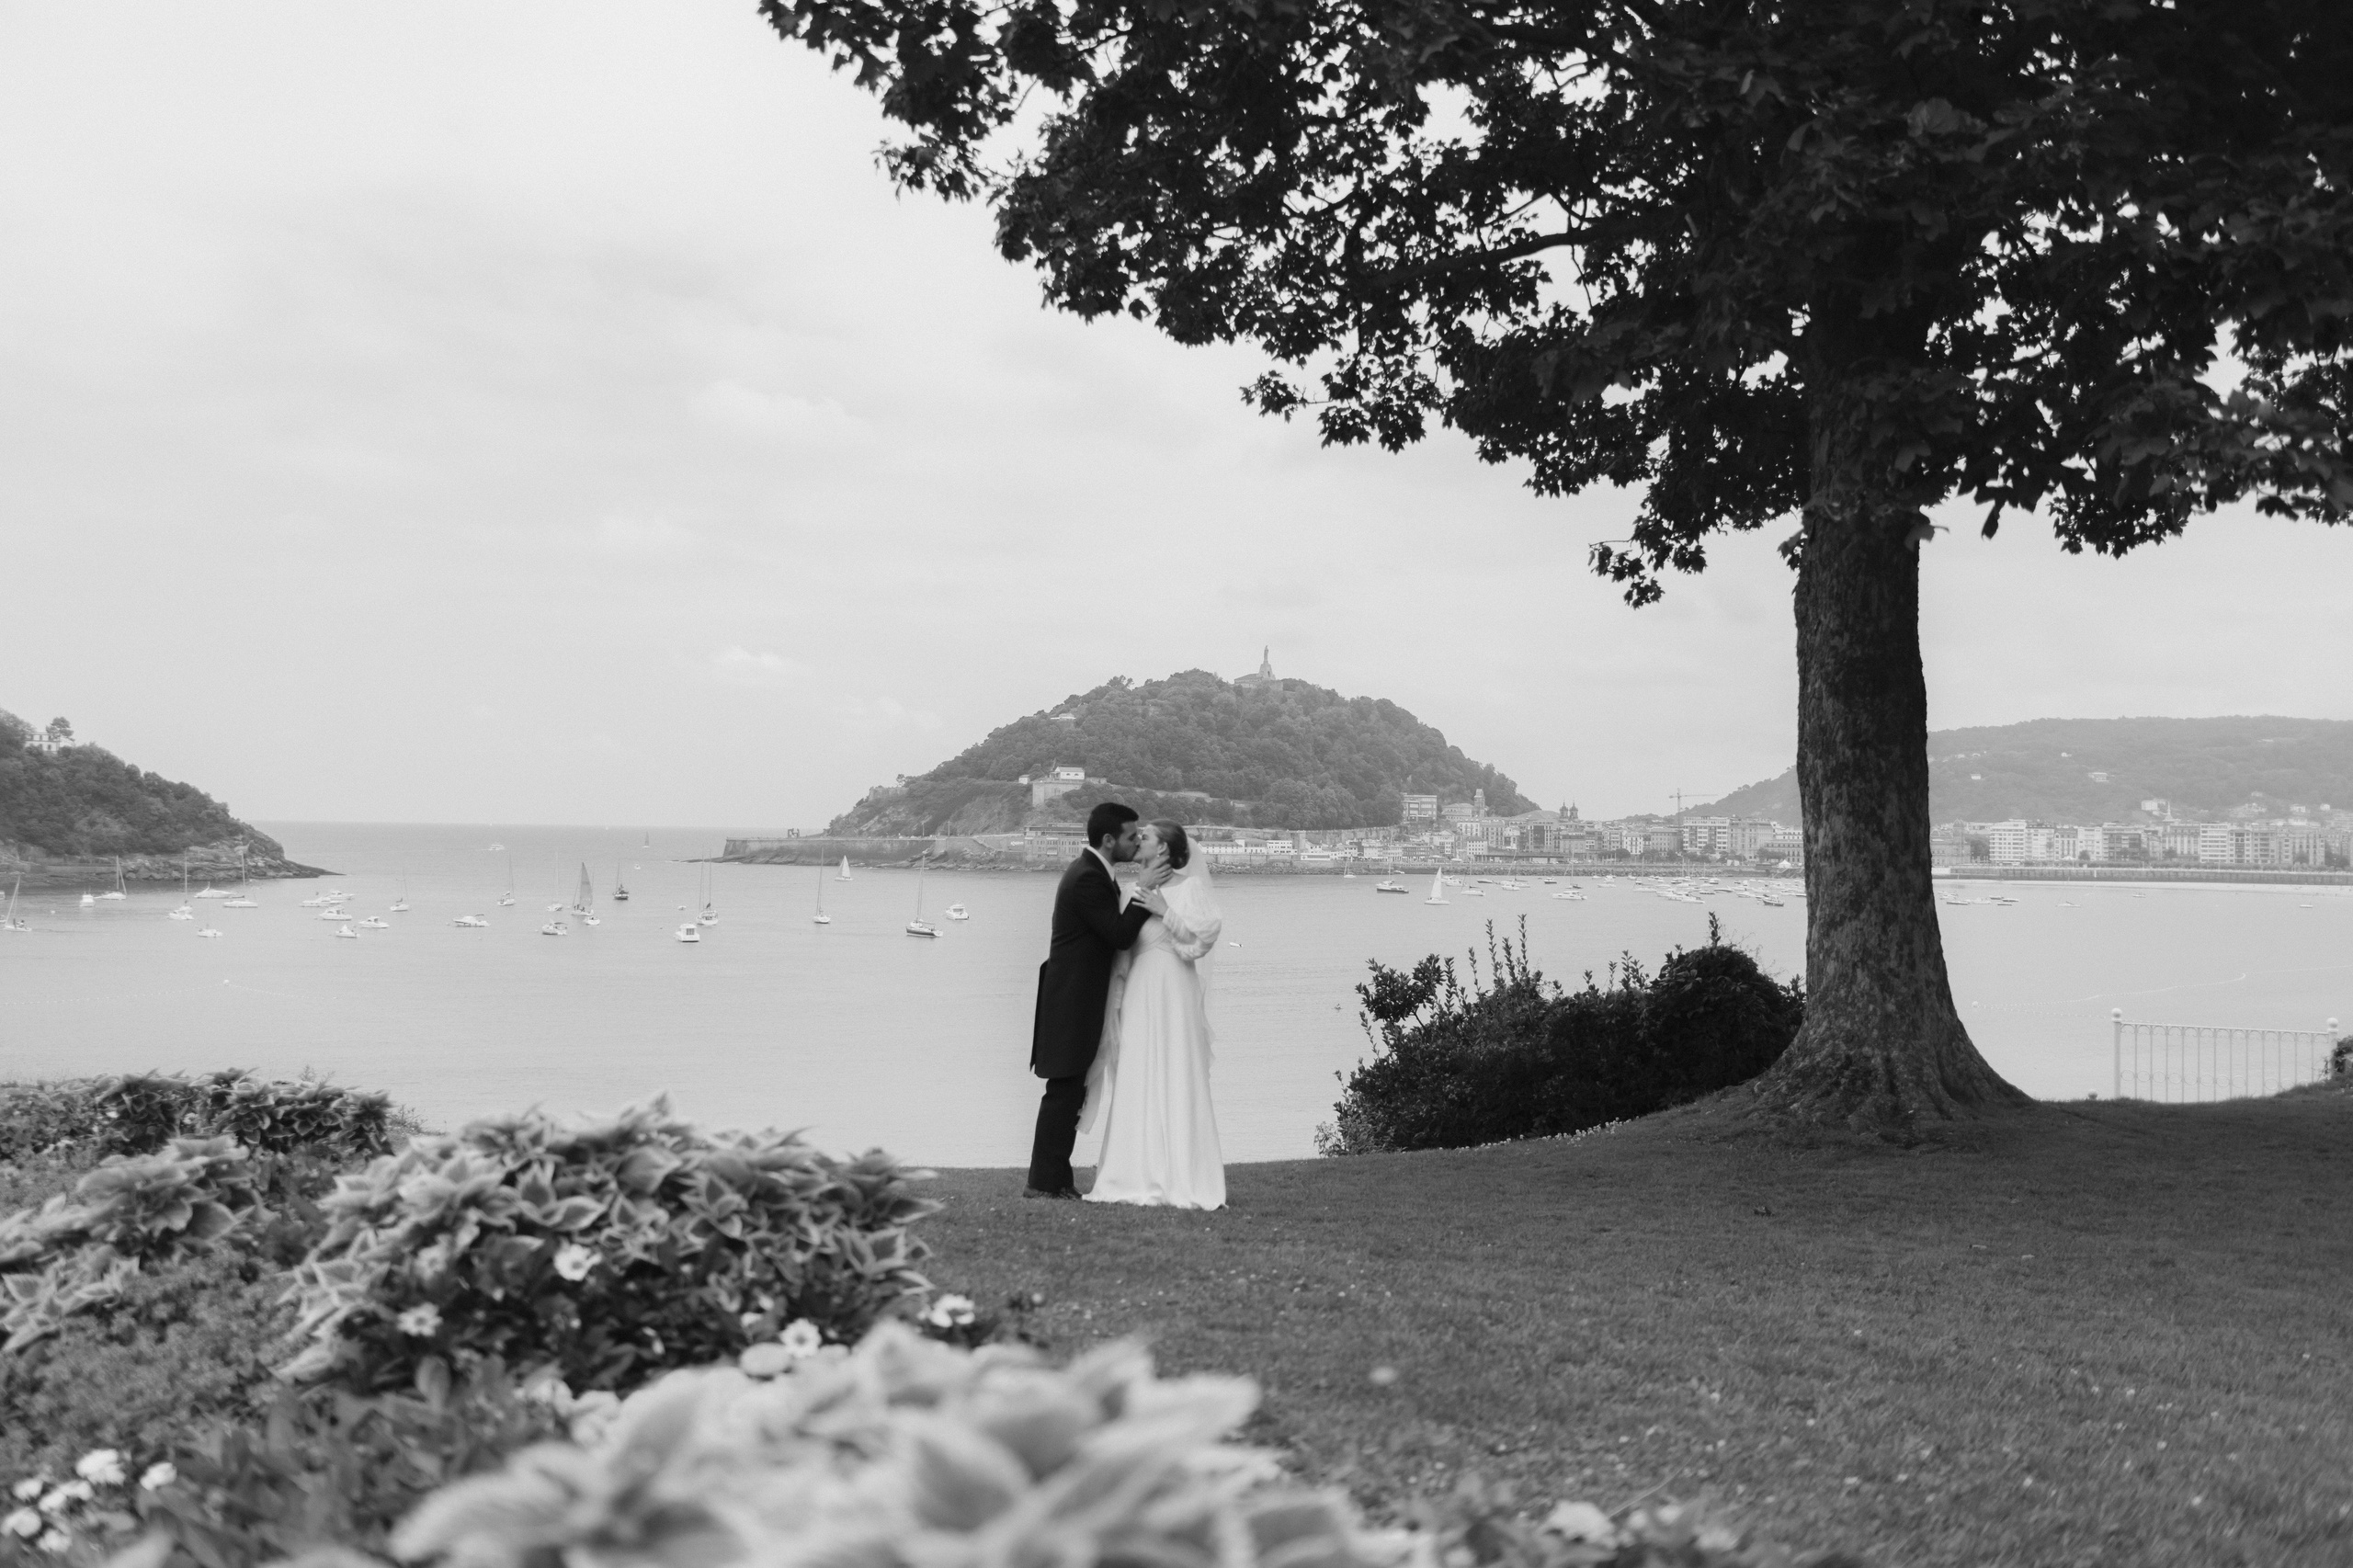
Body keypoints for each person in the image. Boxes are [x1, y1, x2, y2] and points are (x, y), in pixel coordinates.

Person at [1025, 801, 1170, 1198]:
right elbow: (1119, 933)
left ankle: (1055, 1181)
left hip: (1076, 997)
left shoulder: (1094, 872)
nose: (1137, 840)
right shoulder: (1087, 877)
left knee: (1071, 1091)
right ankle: (1042, 1184)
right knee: (1063, 1092)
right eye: (1130, 836)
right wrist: (1148, 889)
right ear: (1108, 840)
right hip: (1071, 1000)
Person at [1082, 820, 1226, 1209]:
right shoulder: (1132, 890)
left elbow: (1202, 940)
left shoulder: (1190, 889)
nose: (1137, 840)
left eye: (1145, 836)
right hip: (1138, 991)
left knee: (1177, 1071)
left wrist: (1166, 912)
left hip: (1176, 990)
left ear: (1163, 849)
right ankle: (1132, 1173)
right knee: (1137, 1071)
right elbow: (1120, 946)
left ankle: (1182, 1174)